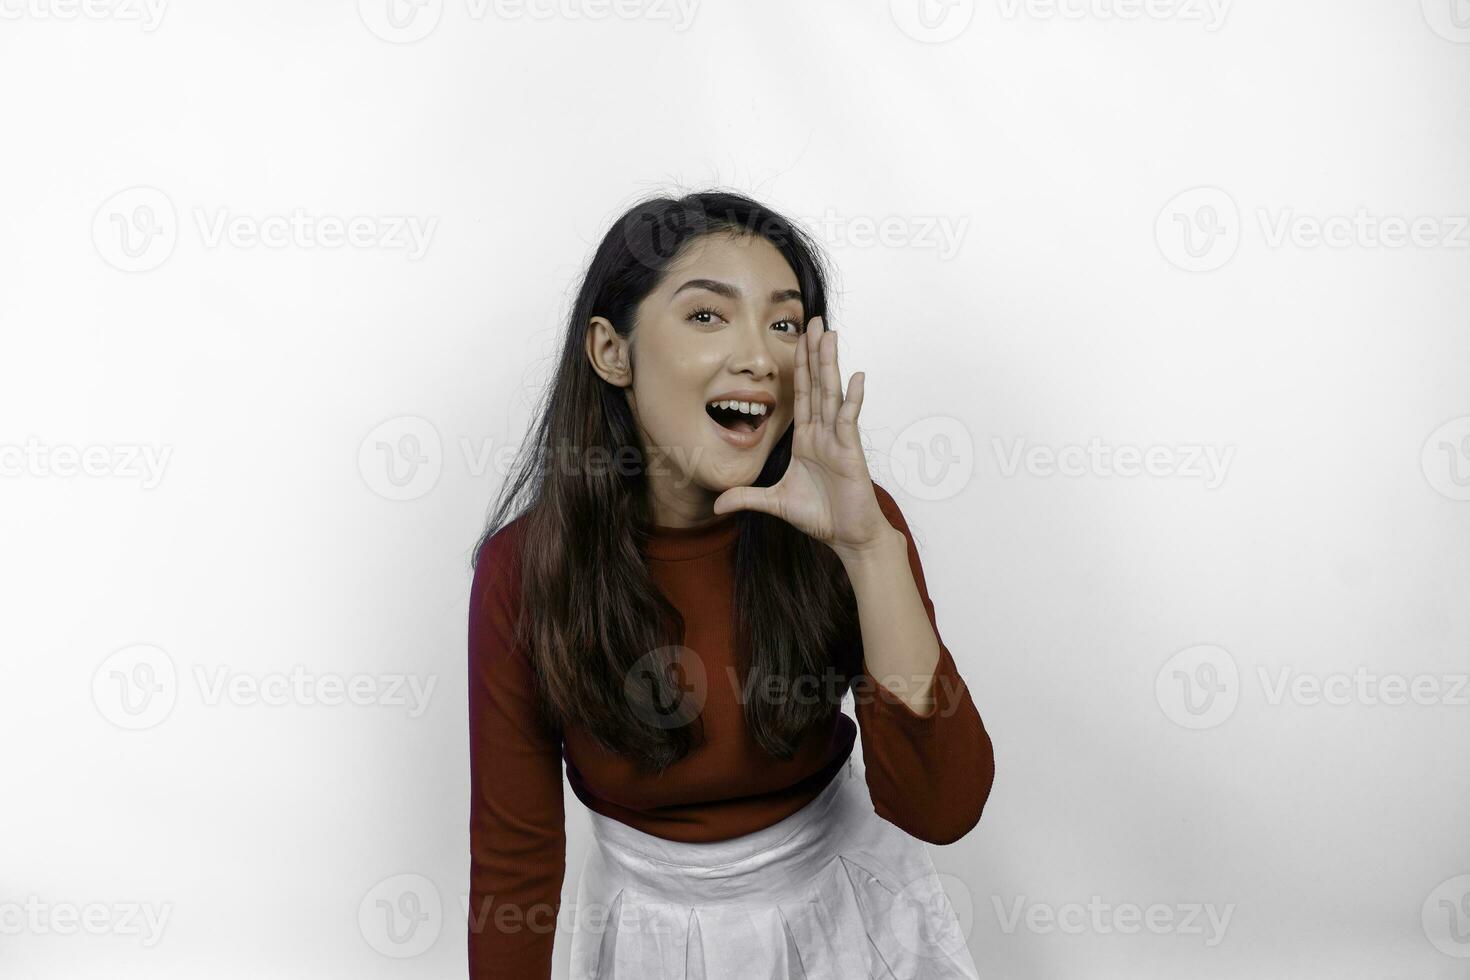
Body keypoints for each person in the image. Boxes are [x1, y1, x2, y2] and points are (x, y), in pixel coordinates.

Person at [467, 190, 996, 978]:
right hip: (644, 940)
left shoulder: (856, 527)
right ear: (613, 352)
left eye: (784, 323)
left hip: (848, 920)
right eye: (708, 316)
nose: (759, 355)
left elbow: (942, 809)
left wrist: (869, 550)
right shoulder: (525, 570)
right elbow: (516, 863)